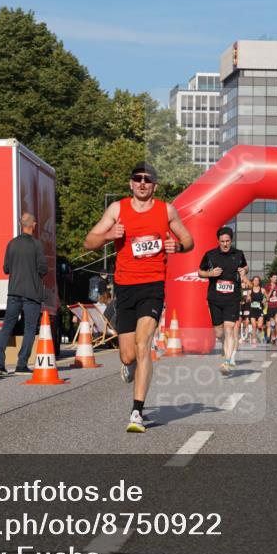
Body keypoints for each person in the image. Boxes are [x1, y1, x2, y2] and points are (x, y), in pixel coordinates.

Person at [83, 162, 193, 433]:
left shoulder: (166, 210)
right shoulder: (117, 209)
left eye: (148, 179)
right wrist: (109, 235)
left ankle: (137, 412)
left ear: (154, 185)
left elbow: (189, 240)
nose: (142, 183)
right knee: (127, 354)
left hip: (153, 286)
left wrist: (177, 246)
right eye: (138, 179)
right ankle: (129, 367)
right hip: (125, 287)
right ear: (131, 184)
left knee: (144, 345)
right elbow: (89, 241)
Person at [0, 212, 48, 376]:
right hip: (32, 293)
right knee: (29, 328)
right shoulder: (36, 245)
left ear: (20, 225)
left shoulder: (12, 244)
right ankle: (21, 364)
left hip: (14, 292)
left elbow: (6, 269)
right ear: (34, 225)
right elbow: (43, 269)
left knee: (7, 326)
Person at [197, 227, 249, 375]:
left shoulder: (238, 254)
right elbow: (199, 272)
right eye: (222, 241)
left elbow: (245, 266)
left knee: (229, 327)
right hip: (215, 297)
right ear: (218, 241)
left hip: (232, 297)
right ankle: (228, 347)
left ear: (231, 240)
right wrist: (210, 273)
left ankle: (227, 361)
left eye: (227, 241)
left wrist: (245, 270)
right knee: (219, 332)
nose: (225, 244)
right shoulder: (210, 255)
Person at [265, 274, 277, 345]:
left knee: (276, 321)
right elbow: (267, 297)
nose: (275, 278)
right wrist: (272, 289)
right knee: (272, 323)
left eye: (276, 277)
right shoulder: (267, 286)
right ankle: (273, 335)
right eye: (274, 277)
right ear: (270, 278)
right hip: (270, 307)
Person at [248, 276, 266, 345]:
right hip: (252, 310)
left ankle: (261, 335)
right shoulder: (250, 291)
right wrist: (248, 298)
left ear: (259, 282)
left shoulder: (262, 290)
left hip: (260, 310)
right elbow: (247, 299)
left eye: (257, 280)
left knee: (259, 325)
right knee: (254, 326)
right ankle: (254, 339)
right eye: (254, 280)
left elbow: (266, 298)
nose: (256, 282)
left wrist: (264, 300)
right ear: (252, 281)